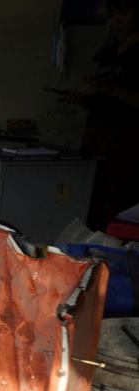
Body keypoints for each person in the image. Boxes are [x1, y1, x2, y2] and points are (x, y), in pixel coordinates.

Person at [63, 0, 139, 229]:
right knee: (90, 200)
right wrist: (85, 100)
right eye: (112, 15)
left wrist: (110, 89)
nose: (116, 21)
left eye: (123, 13)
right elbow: (105, 102)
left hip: (127, 141)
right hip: (97, 138)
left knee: (119, 207)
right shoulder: (109, 53)